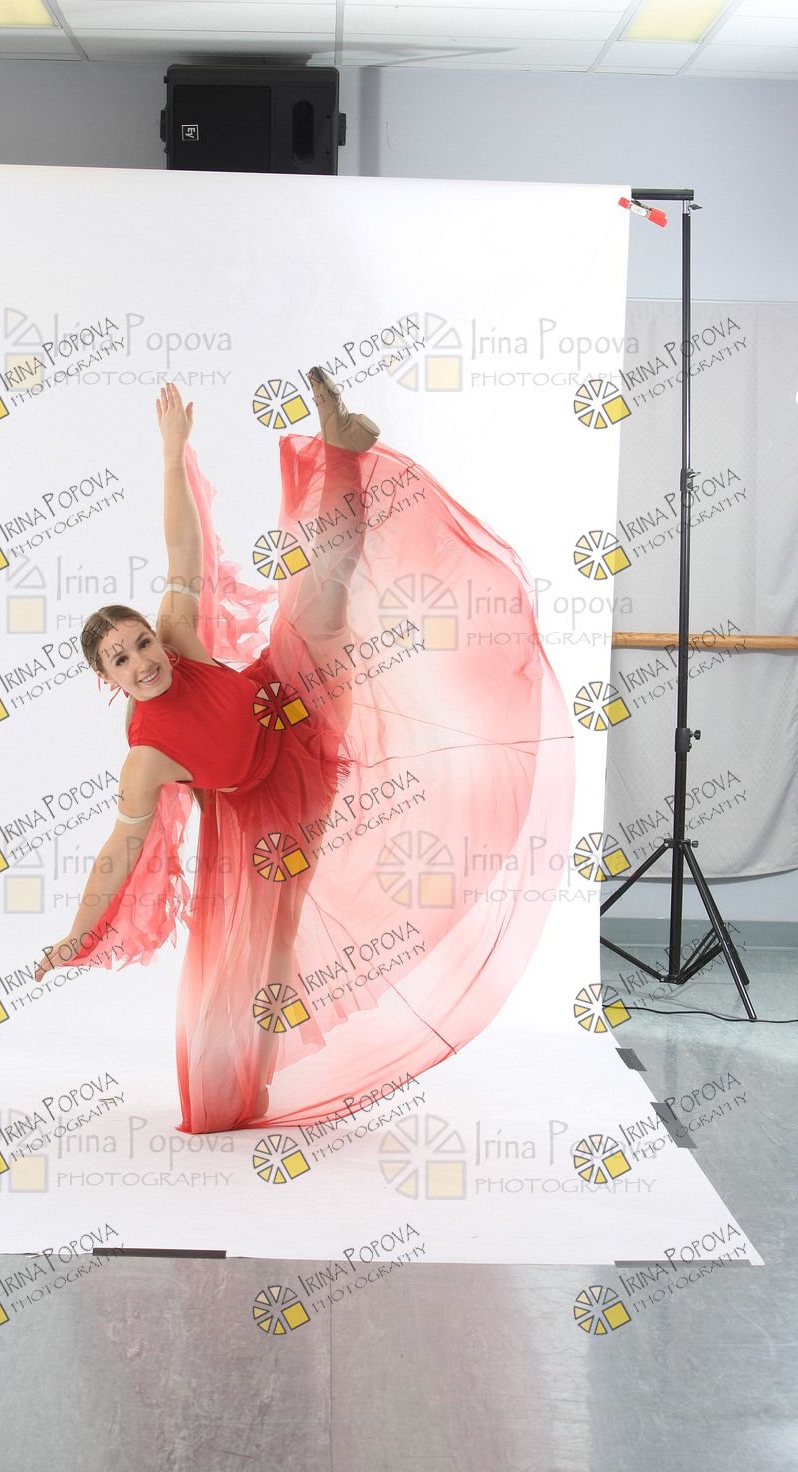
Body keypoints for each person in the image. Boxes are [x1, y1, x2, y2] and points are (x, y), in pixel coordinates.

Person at [34, 377, 574, 1134]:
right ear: (108, 680)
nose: (142, 661)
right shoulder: (146, 757)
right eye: (121, 660)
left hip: (287, 697)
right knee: (268, 946)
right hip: (268, 808)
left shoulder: (180, 638)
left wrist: (172, 450)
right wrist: (78, 933)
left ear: (156, 636)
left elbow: (183, 546)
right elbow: (117, 855)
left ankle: (342, 450)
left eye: (140, 643)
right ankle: (250, 1077)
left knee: (320, 591)